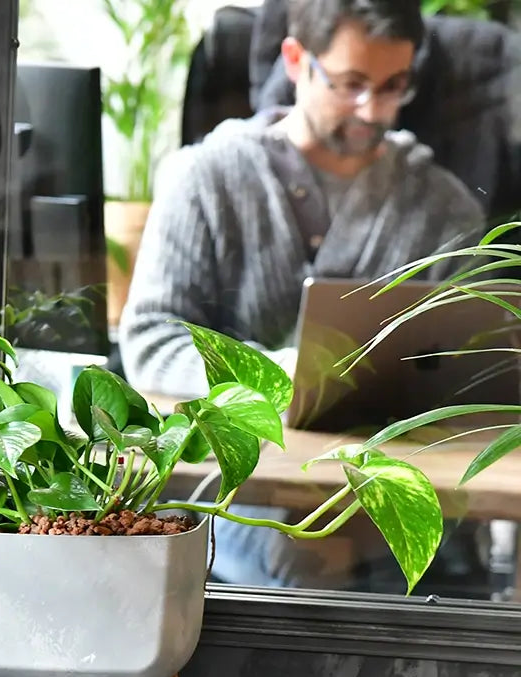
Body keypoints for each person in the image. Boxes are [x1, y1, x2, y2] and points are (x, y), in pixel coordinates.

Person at [118, 0, 490, 594]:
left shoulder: (443, 207)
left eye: (395, 85)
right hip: (242, 486)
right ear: (296, 60)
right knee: (290, 564)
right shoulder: (207, 178)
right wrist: (273, 375)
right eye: (351, 85)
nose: (375, 110)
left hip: (389, 486)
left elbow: (475, 370)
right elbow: (150, 337)